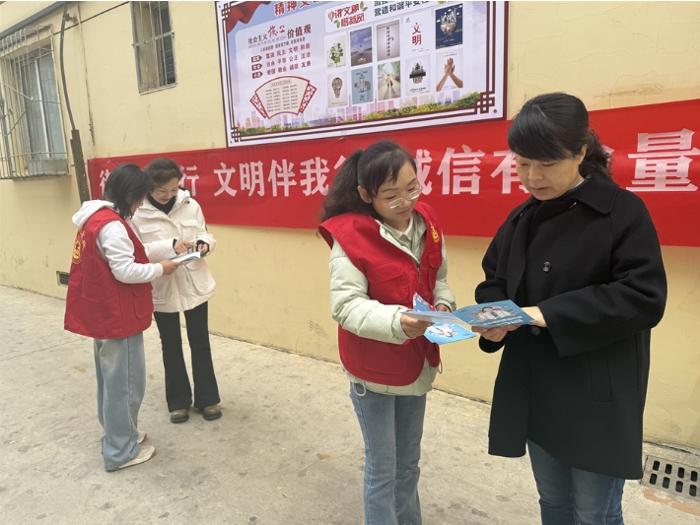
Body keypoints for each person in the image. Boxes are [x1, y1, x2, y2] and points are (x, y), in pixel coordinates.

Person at [473, 93, 667, 524]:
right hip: (537, 385)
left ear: (580, 152)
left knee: (595, 511)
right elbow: (494, 279)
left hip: (596, 392)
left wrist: (546, 313)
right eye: (523, 164)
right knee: (554, 502)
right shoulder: (522, 217)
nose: (532, 177)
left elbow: (644, 296)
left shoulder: (622, 212)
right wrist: (494, 317)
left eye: (546, 163)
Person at [318, 141, 456, 525]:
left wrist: (444, 306)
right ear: (366, 195)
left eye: (412, 188)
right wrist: (399, 321)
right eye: (391, 195)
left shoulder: (427, 223)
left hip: (416, 364)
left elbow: (439, 278)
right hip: (373, 373)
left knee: (407, 464)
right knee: (383, 469)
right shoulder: (351, 237)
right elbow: (346, 306)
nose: (405, 202)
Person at [64, 164, 180, 471]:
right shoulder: (113, 226)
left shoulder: (94, 218)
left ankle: (120, 434)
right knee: (125, 384)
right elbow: (125, 270)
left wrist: (165, 251)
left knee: (110, 381)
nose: (140, 204)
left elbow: (128, 255)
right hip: (118, 317)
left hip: (103, 314)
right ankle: (121, 451)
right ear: (130, 194)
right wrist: (161, 269)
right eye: (140, 197)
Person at [131, 158, 222, 424]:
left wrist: (204, 244)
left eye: (173, 189)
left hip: (194, 283)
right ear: (150, 187)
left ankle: (208, 399)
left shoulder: (190, 204)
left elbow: (206, 233)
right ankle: (178, 402)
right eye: (163, 191)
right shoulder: (138, 213)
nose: (169, 195)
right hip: (163, 285)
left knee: (200, 341)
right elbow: (139, 251)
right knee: (170, 344)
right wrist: (170, 246)